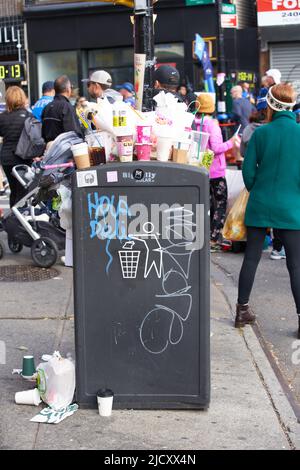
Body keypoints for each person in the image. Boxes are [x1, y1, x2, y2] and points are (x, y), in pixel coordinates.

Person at [235, 83, 300, 339]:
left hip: (260, 203)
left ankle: (242, 310)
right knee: (296, 265)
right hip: (291, 207)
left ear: (270, 106)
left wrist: (257, 187)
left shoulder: (260, 134)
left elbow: (248, 172)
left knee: (251, 258)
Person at [195, 93, 239, 250]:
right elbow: (216, 148)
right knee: (220, 202)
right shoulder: (212, 125)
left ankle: (203, 234)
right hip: (216, 170)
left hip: (199, 167)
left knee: (204, 203)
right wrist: (231, 142)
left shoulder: (194, 123)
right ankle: (214, 238)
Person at [0, 86, 32, 207]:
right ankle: (20, 216)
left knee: (13, 189)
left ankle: (12, 218)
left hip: (7, 158)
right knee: (23, 189)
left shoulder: (2, 117)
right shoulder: (28, 116)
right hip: (23, 157)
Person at [42, 75, 82, 143]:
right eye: (71, 87)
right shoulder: (67, 107)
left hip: (50, 149)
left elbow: (43, 132)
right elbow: (73, 135)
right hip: (64, 150)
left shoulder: (47, 107)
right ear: (68, 89)